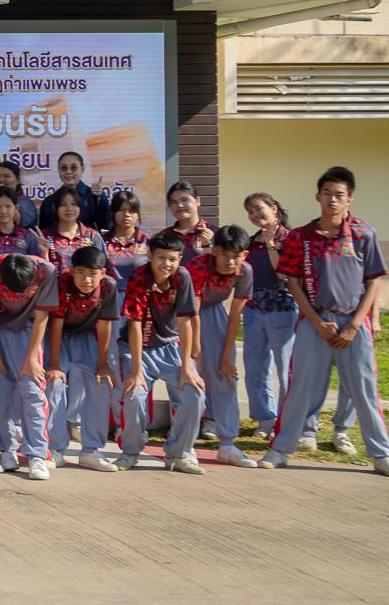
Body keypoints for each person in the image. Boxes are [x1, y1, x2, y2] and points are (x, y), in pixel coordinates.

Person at [263, 167, 389, 477]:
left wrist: (355, 324)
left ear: (349, 198)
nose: (332, 200)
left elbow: (374, 281)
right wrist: (315, 321)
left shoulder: (363, 233)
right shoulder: (300, 237)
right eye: (326, 193)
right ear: (317, 196)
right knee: (300, 388)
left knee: (364, 391)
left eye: (339, 195)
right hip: (315, 325)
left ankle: (382, 455)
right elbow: (293, 283)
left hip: (353, 326)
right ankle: (281, 448)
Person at [119, 229, 207, 474]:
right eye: (161, 258)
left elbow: (185, 321)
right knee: (134, 394)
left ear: (179, 259)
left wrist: (187, 364)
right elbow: (134, 324)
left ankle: (179, 453)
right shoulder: (139, 277)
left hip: (170, 347)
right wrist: (136, 370)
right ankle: (130, 451)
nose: (166, 264)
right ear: (150, 256)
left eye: (172, 259)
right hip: (137, 348)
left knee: (195, 393)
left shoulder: (183, 277)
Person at [0, 251, 59, 481]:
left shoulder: (46, 271)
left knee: (33, 391)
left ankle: (36, 455)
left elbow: (42, 313)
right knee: (1, 392)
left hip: (30, 332)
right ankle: (6, 449)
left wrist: (32, 358)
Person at [46, 243, 122, 471]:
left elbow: (105, 326)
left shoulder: (109, 287)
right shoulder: (62, 283)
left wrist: (102, 363)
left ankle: (91, 449)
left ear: (103, 274)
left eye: (92, 274)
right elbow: (56, 325)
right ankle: (55, 448)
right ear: (71, 270)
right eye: (80, 273)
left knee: (101, 383)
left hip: (87, 336)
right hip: (58, 337)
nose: (86, 280)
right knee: (54, 383)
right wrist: (55, 364)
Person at [190, 225, 258, 468]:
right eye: (225, 255)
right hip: (185, 317)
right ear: (214, 251)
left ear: (245, 256)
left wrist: (227, 356)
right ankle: (183, 444)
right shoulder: (197, 267)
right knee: (190, 376)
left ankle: (227, 444)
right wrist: (195, 352)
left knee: (226, 376)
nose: (230, 262)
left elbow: (234, 317)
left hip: (216, 313)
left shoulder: (245, 272)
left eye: (236, 256)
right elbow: (191, 312)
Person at [242, 191, 299, 443]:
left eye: (258, 208)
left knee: (285, 368)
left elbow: (283, 274)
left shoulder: (291, 238)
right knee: (255, 368)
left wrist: (270, 244)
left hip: (283, 309)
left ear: (274, 208)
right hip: (254, 309)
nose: (255, 215)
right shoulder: (251, 241)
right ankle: (265, 417)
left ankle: (287, 419)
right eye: (250, 211)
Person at [40, 185, 103, 275]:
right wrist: (44, 253)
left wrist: (89, 253)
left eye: (74, 204)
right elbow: (41, 272)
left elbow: (102, 269)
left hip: (84, 287)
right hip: (56, 288)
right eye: (63, 205)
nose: (69, 209)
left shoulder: (92, 235)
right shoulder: (45, 236)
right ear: (55, 208)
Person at [103, 191, 150, 285]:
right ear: (113, 213)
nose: (127, 214)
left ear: (137, 215)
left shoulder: (147, 241)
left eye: (132, 211)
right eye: (121, 210)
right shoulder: (103, 241)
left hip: (139, 296)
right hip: (109, 296)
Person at [55, 151, 110, 230]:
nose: (68, 171)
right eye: (64, 168)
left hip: (89, 242)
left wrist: (100, 198)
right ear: (58, 170)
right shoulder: (50, 201)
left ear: (82, 169)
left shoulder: (94, 196)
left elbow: (107, 226)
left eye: (74, 168)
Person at [166, 180, 215, 261]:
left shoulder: (215, 233)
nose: (180, 205)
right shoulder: (165, 236)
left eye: (184, 200)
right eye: (174, 202)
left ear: (197, 201)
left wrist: (207, 245)